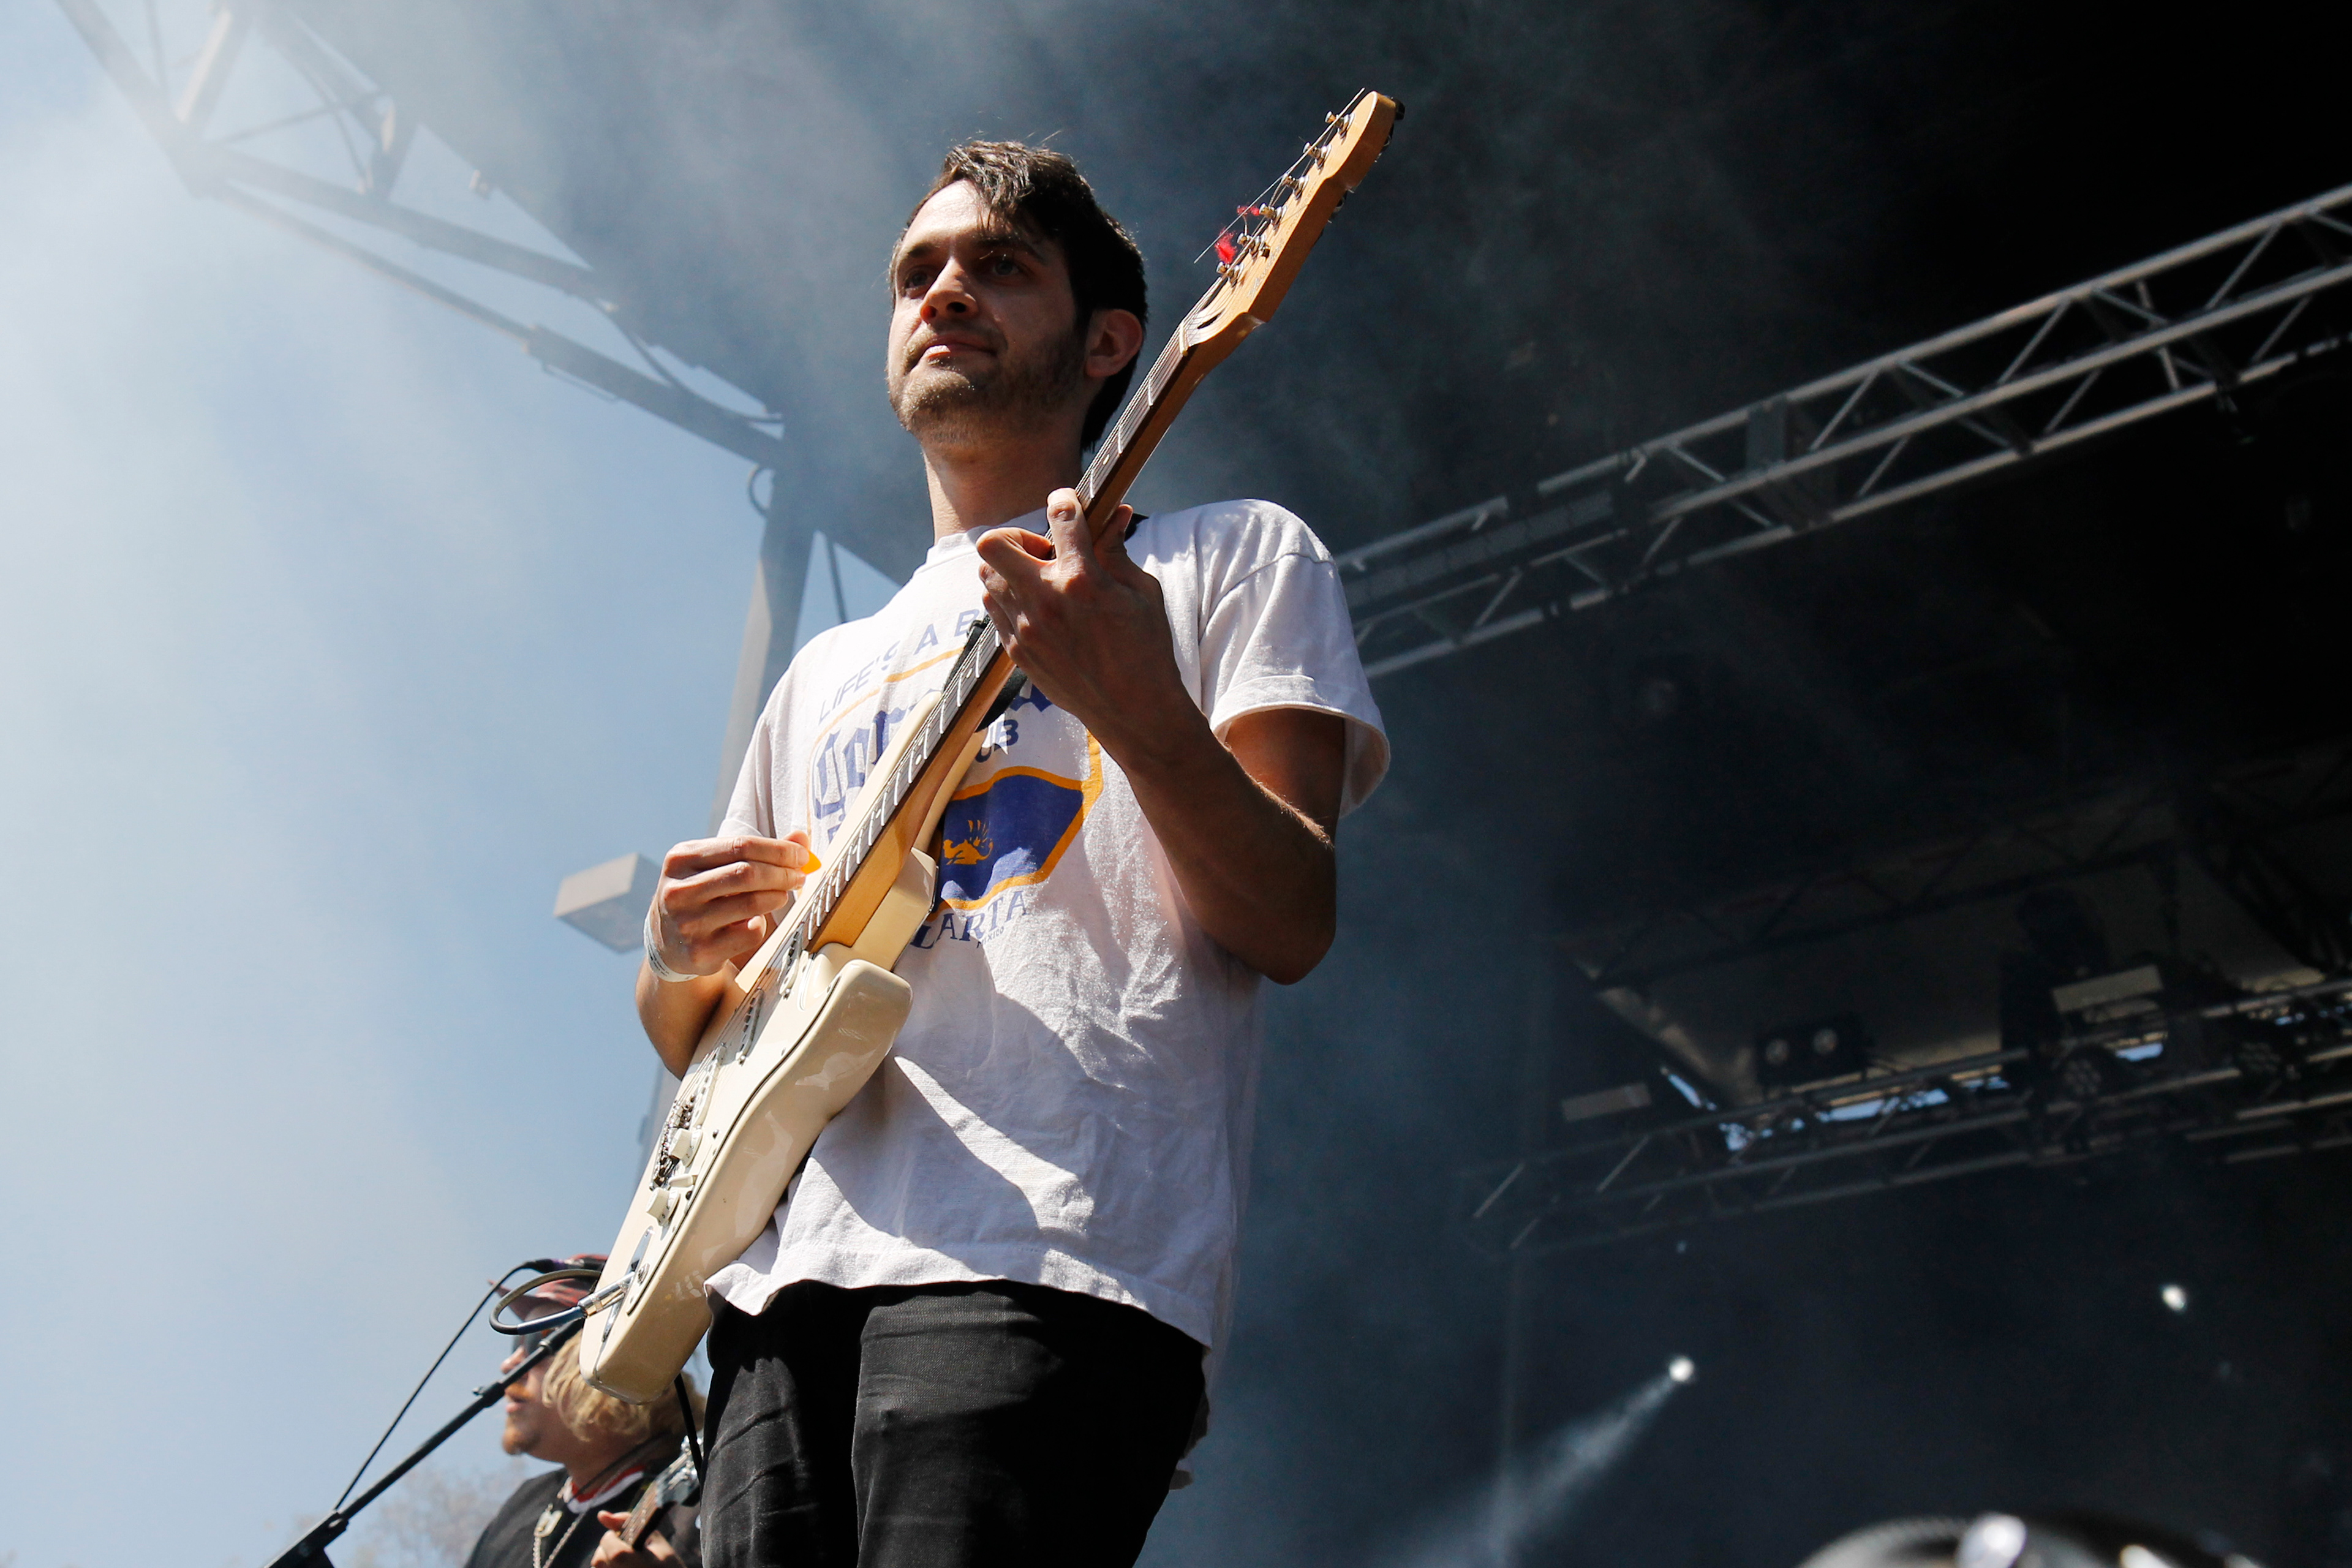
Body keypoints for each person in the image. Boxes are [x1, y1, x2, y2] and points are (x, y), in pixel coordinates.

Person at [638, 140, 1388, 1567]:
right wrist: (675, 955)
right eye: (916, 271)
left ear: (1111, 342)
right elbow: (700, 1035)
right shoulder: (823, 672)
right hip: (777, 1298)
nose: (944, 292)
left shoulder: (1233, 558)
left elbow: (1290, 915)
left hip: (1045, 1253)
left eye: (999, 265)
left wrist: (1136, 703)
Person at [463, 1264, 703, 1568]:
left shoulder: (709, 1491)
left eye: (539, 1340)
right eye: (516, 1343)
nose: (510, 1364)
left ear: (619, 1356)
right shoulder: (522, 1507)